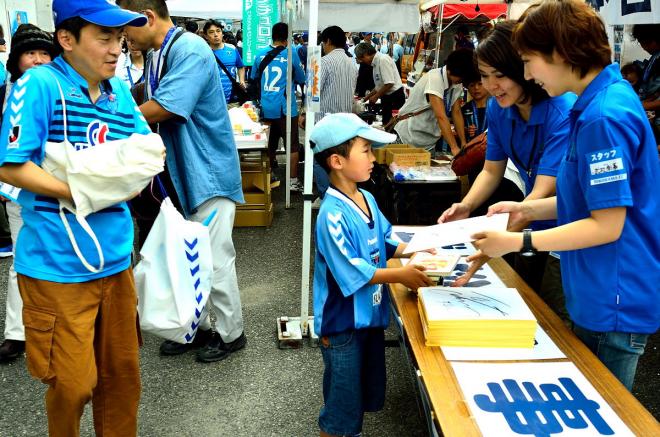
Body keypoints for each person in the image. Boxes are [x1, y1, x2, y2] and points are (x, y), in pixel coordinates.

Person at [473, 0, 659, 391]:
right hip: (598, 287)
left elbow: (606, 225)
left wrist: (518, 239)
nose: (526, 74)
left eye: (528, 61)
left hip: (613, 293)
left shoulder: (602, 118)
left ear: (559, 52)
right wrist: (527, 208)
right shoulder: (597, 104)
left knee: (605, 409)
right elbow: (590, 201)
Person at [0, 1, 150, 434]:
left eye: (119, 39)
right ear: (66, 40)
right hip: (55, 265)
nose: (116, 50)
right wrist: (82, 189)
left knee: (122, 381)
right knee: (74, 384)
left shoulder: (118, 90)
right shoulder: (39, 84)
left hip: (115, 259)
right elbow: (11, 165)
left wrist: (127, 177)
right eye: (103, 38)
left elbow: (141, 153)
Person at [120, 0, 246, 363]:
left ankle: (230, 332)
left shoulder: (189, 47)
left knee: (214, 258)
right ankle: (198, 327)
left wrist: (115, 121)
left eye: (126, 27)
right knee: (189, 255)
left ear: (147, 17)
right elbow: (148, 96)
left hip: (206, 171)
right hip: (183, 172)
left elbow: (168, 106)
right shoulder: (161, 51)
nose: (123, 36)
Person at [438, 21, 575, 323]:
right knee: (523, 305)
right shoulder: (501, 108)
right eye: (484, 76)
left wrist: (498, 239)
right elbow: (491, 169)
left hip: (566, 232)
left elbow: (543, 191)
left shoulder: (562, 110)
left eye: (499, 75)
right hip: (526, 222)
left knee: (555, 318)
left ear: (524, 69)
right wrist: (467, 205)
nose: (490, 86)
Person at [310, 113, 434, 437]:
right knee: (341, 409)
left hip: (370, 320)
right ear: (336, 160)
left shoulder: (366, 197)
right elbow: (353, 271)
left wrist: (425, 248)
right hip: (343, 328)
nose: (373, 157)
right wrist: (402, 276)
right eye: (365, 150)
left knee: (361, 396)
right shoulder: (331, 215)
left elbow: (388, 239)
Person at [0, 23, 55, 364]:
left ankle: (58, 327)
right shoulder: (4, 95)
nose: (37, 60)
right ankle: (16, 332)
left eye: (43, 53)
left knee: (63, 260)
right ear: (16, 59)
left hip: (59, 190)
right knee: (21, 261)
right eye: (29, 54)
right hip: (19, 191)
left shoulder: (62, 90)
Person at [303, 25, 358, 204]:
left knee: (320, 160)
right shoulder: (352, 63)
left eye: (323, 43)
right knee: (339, 162)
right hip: (345, 120)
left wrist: (305, 114)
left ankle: (326, 196)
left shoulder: (323, 62)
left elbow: (313, 95)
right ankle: (340, 196)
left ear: (327, 41)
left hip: (324, 120)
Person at [251, 22, 306, 191]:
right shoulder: (291, 54)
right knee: (293, 145)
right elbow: (302, 78)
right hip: (286, 108)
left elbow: (254, 77)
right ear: (287, 37)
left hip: (266, 107)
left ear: (272, 36)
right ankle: (292, 181)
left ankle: (269, 176)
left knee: (269, 144)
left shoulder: (260, 55)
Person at [393, 48, 474, 155]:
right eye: (460, 78)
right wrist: (454, 147)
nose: (461, 81)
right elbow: (441, 116)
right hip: (408, 137)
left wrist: (463, 143)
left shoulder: (456, 83)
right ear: (450, 71)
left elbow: (456, 112)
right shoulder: (435, 78)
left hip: (428, 143)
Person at [355, 42, 405, 125]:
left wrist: (376, 96)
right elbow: (379, 86)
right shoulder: (375, 63)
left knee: (394, 125)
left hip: (395, 96)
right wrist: (365, 99)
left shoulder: (383, 59)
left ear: (366, 54)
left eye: (362, 58)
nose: (362, 61)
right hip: (387, 96)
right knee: (386, 122)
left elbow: (389, 83)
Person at [204, 19, 245, 104]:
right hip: (212, 99)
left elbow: (240, 67)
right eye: (211, 32)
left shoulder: (232, 49)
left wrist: (242, 80)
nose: (216, 35)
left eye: (218, 31)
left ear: (222, 33)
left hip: (232, 97)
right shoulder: (203, 52)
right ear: (206, 36)